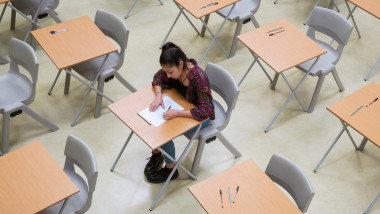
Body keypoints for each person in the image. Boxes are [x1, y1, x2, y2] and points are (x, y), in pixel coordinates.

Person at [145, 42, 215, 183]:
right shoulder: (174, 71)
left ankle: (171, 169)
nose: (168, 76)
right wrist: (158, 95)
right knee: (155, 123)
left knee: (165, 131)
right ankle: (157, 153)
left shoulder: (198, 77)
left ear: (181, 64)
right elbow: (158, 77)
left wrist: (177, 113)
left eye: (170, 72)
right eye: (166, 72)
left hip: (201, 116)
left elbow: (205, 110)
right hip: (184, 106)